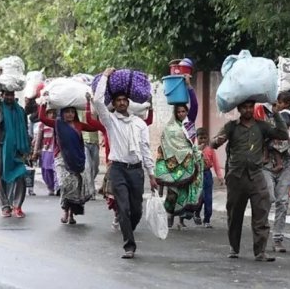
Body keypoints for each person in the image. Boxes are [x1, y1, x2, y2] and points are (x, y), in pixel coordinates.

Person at [90, 68, 158, 259]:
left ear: (128, 102)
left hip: (136, 171)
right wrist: (105, 76)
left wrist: (151, 174)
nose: (121, 102)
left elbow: (145, 149)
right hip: (118, 169)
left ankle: (128, 229)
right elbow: (97, 101)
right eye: (117, 100)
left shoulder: (139, 124)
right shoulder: (110, 121)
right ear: (113, 104)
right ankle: (129, 245)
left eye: (124, 100)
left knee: (136, 210)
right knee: (123, 207)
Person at [211, 100, 288, 261]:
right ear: (239, 109)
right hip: (236, 176)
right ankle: (234, 247)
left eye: (250, 107)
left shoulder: (262, 126)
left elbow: (283, 134)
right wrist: (218, 140)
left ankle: (260, 252)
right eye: (244, 107)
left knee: (261, 213)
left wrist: (276, 113)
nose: (248, 110)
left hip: (256, 176)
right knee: (234, 214)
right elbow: (213, 143)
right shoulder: (231, 127)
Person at [39, 102, 101, 225]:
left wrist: (89, 107)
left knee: (75, 187)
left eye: (72, 112)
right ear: (62, 113)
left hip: (77, 159)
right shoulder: (58, 124)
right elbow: (42, 118)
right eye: (67, 112)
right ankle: (65, 210)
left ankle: (70, 213)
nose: (70, 114)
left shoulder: (78, 125)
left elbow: (94, 127)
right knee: (65, 184)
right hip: (61, 158)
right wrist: (43, 104)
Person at [155, 88, 203, 229]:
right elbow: (164, 145)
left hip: (188, 164)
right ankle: (169, 215)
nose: (181, 114)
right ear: (175, 113)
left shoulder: (189, 123)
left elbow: (195, 105)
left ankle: (182, 218)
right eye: (179, 112)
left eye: (184, 111)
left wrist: (189, 88)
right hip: (174, 165)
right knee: (172, 192)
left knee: (184, 191)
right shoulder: (169, 127)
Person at [0, 68, 32, 218]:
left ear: (14, 96)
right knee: (2, 176)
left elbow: (25, 128)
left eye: (11, 95)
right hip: (2, 146)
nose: (9, 97)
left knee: (20, 175)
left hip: (18, 148)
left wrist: (28, 148)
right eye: (6, 94)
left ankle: (17, 205)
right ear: (2, 95)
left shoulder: (20, 111)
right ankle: (5, 206)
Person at [262, 92, 290, 252]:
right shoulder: (265, 116)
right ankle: (261, 235)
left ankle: (278, 238)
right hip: (267, 165)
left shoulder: (288, 116)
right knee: (268, 198)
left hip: (285, 162)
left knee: (282, 202)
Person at [195, 127, 222, 228]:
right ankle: (196, 213)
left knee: (208, 198)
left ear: (208, 138)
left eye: (205, 138)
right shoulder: (194, 150)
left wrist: (220, 177)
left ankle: (207, 220)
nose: (203, 140)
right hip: (197, 175)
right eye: (201, 138)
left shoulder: (210, 149)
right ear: (197, 138)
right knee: (199, 197)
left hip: (207, 175)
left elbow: (216, 163)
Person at [33, 108, 58, 196]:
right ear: (46, 114)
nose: (52, 115)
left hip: (56, 150)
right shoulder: (42, 125)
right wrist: (35, 152)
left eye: (54, 113)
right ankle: (50, 187)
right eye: (50, 113)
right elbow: (38, 139)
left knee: (56, 169)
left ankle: (57, 187)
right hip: (46, 151)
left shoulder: (58, 123)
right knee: (46, 170)